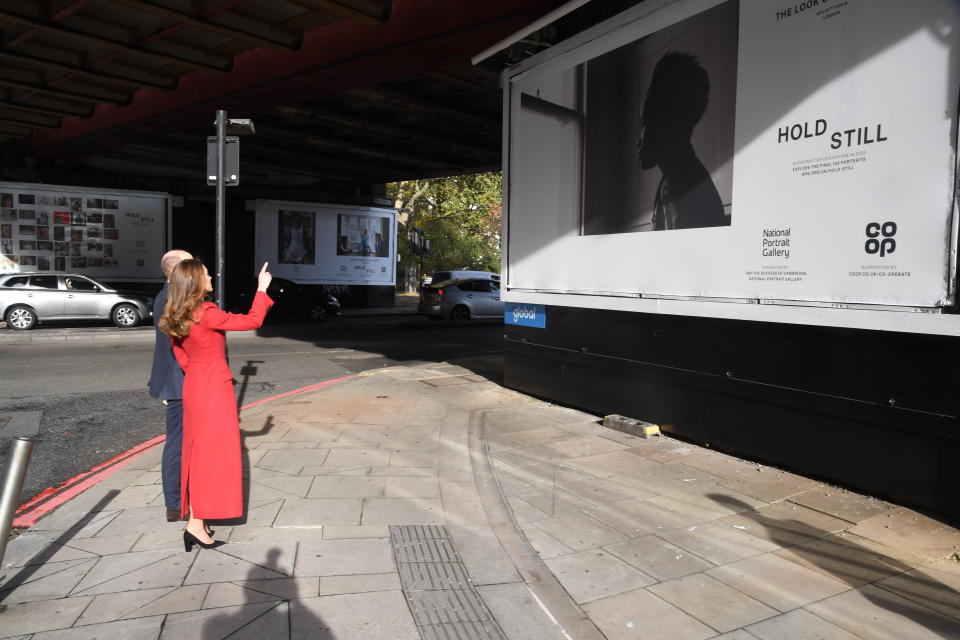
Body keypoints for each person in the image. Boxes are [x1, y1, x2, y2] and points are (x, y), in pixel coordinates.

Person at [159, 259, 273, 550]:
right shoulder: (206, 314)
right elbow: (252, 321)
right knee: (215, 457)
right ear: (196, 282)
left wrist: (200, 372)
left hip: (195, 386)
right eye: (206, 274)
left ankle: (197, 521)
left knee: (198, 456)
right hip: (214, 390)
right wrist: (261, 289)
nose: (210, 276)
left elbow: (181, 357)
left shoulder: (178, 315)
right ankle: (196, 525)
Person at [637, 51, 728, 231]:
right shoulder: (687, 175)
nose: (638, 141)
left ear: (667, 123)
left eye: (645, 121)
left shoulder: (677, 184)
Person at [148, 249, 192, 523]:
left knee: (183, 442)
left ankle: (180, 499)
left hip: (178, 380)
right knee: (176, 443)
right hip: (179, 382)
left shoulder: (171, 296)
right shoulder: (170, 298)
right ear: (177, 269)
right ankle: (174, 504)